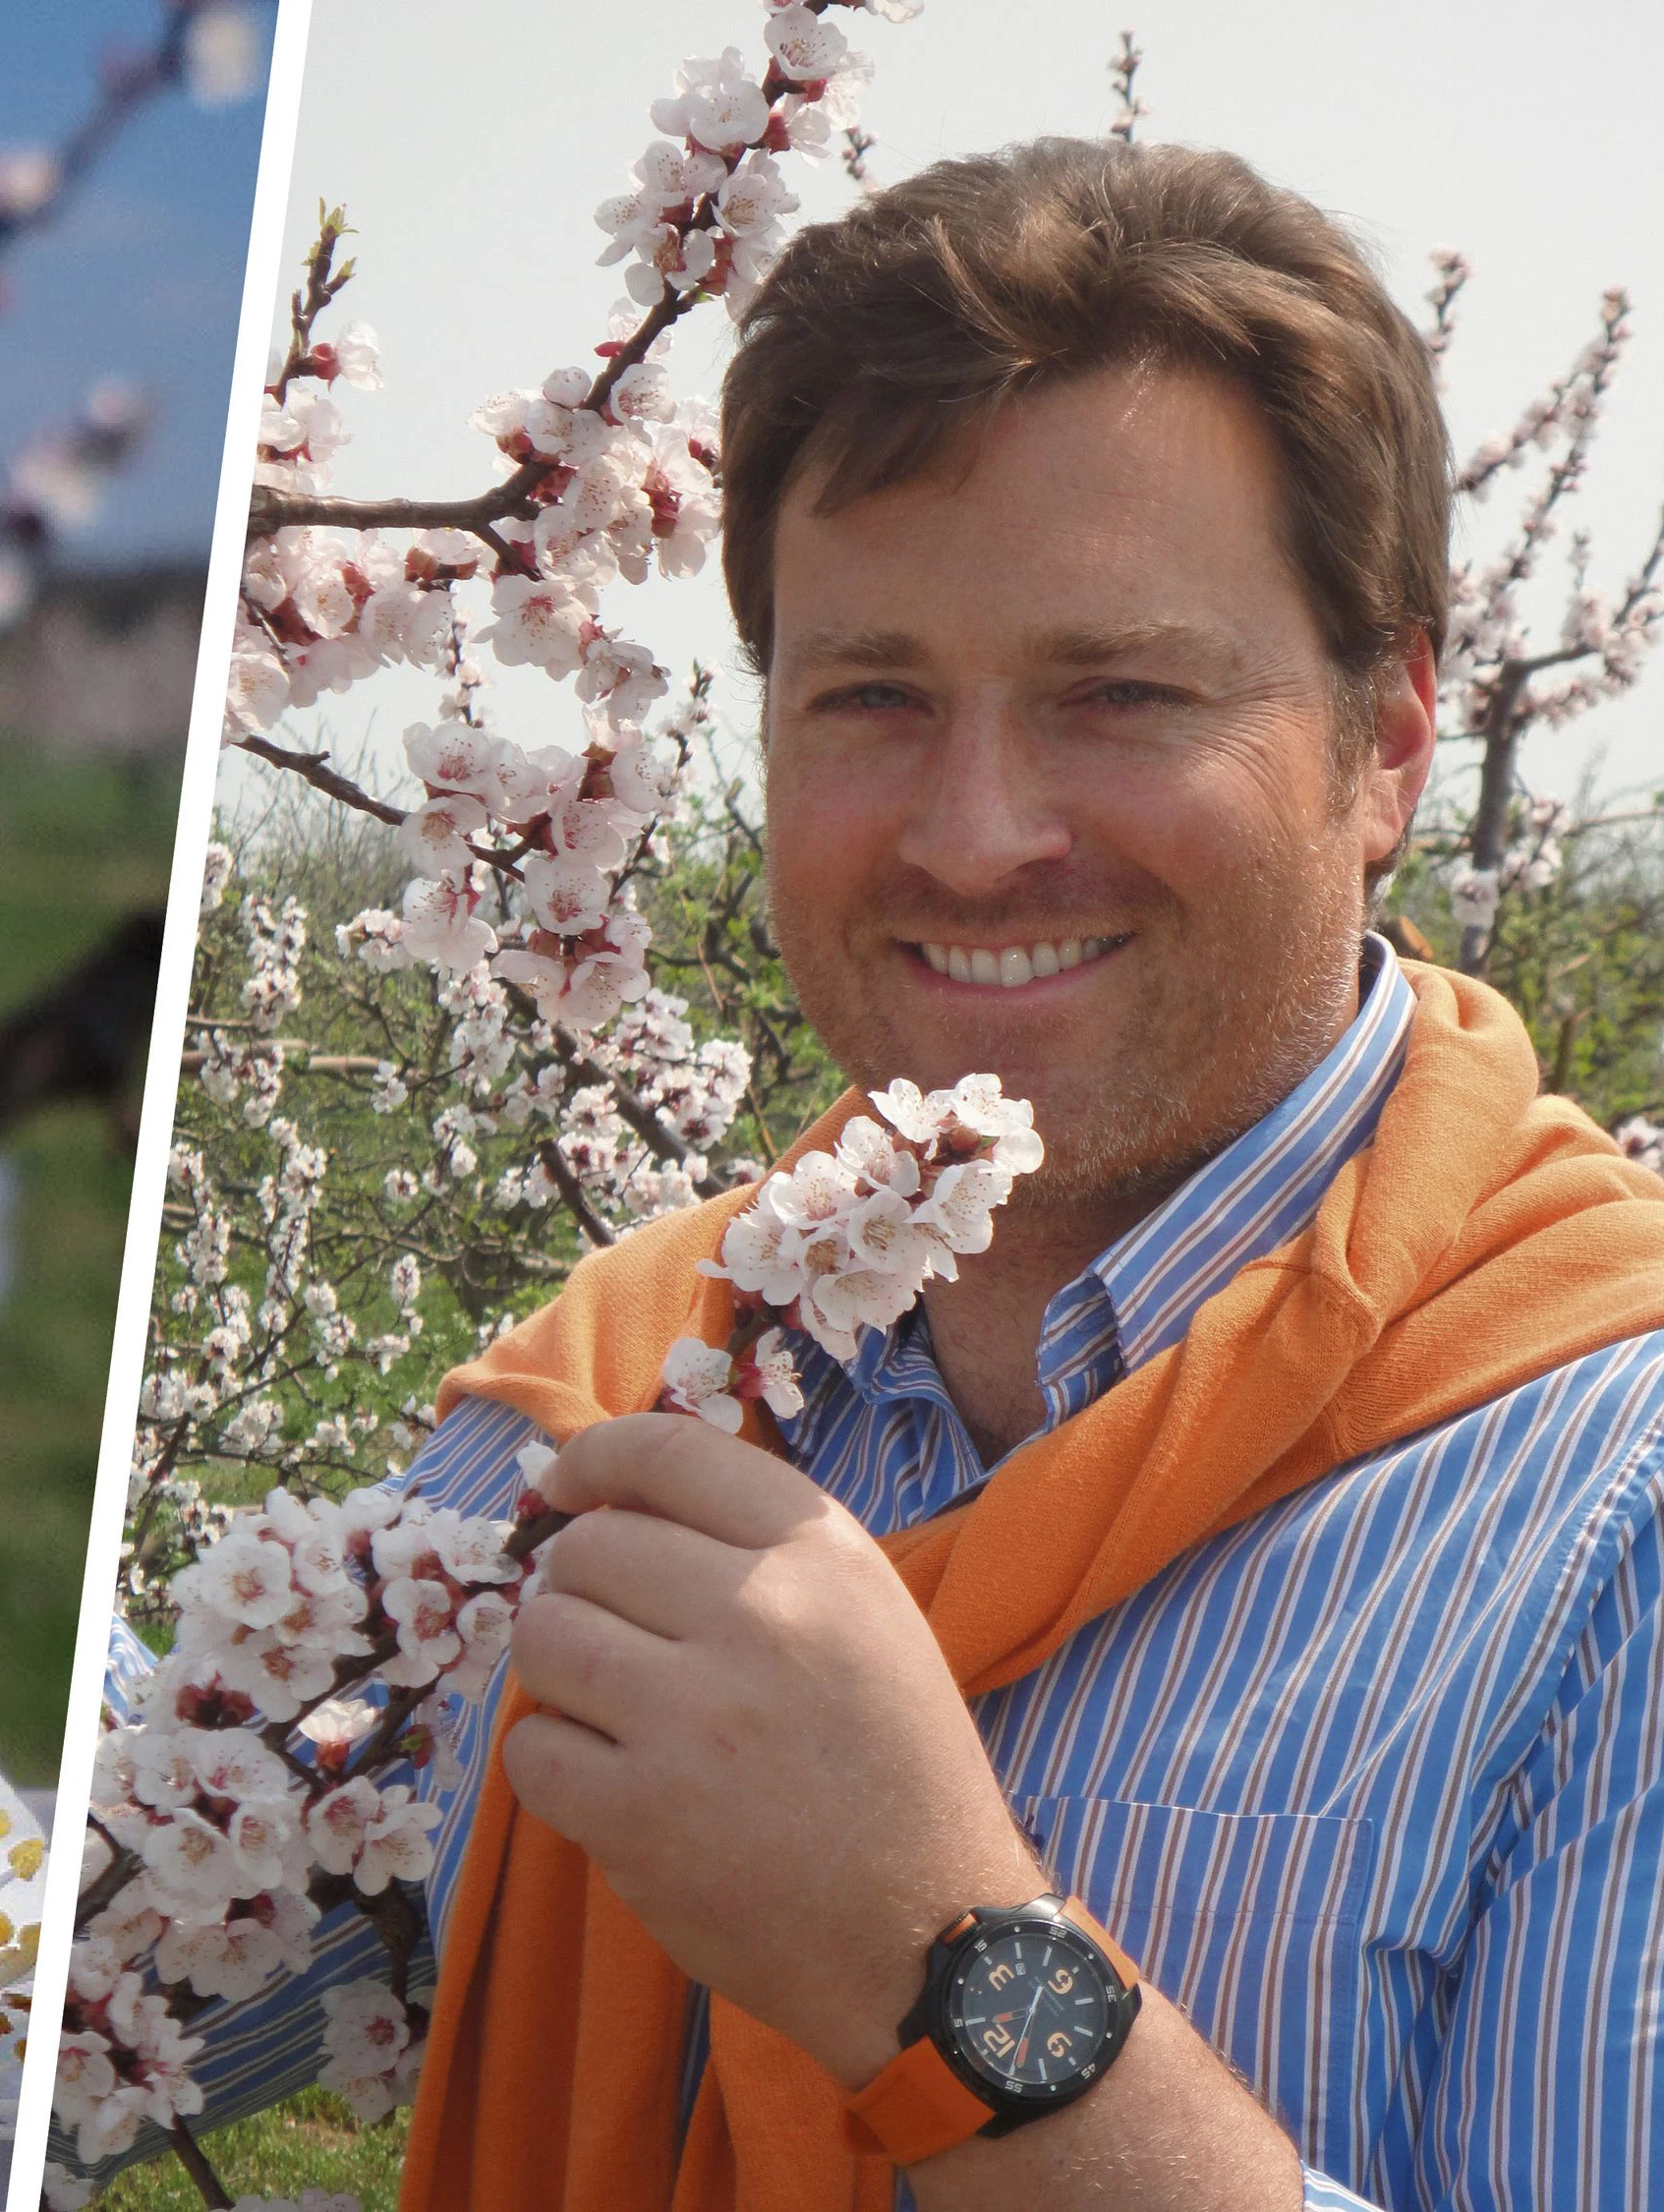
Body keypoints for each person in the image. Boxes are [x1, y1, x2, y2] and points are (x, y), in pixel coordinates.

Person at [391, 136, 1664, 2210]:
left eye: (1118, 694)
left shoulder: (1619, 1520)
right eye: (872, 697)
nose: (976, 836)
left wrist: (930, 1965)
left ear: (1388, 741)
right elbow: (148, 1919)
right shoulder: (616, 1391)